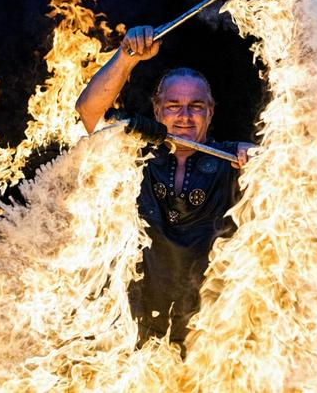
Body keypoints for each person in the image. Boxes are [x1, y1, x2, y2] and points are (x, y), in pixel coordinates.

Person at [75, 25, 253, 352]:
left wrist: (260, 158)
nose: (184, 116)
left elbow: (291, 168)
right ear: (157, 111)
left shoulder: (234, 162)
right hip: (135, 340)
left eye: (196, 106)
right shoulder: (133, 154)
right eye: (173, 106)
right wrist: (127, 58)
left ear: (210, 112)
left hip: (212, 343)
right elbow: (90, 114)